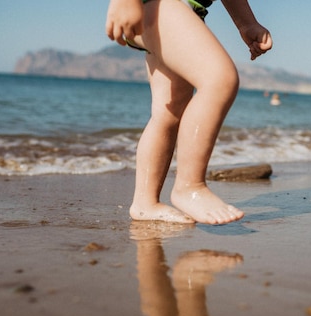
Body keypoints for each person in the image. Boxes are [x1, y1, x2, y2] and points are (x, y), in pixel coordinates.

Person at [105, 0, 273, 225]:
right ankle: (189, 186)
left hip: (179, 10)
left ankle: (145, 202)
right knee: (220, 79)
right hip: (158, 5)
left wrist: (247, 23)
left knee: (168, 112)